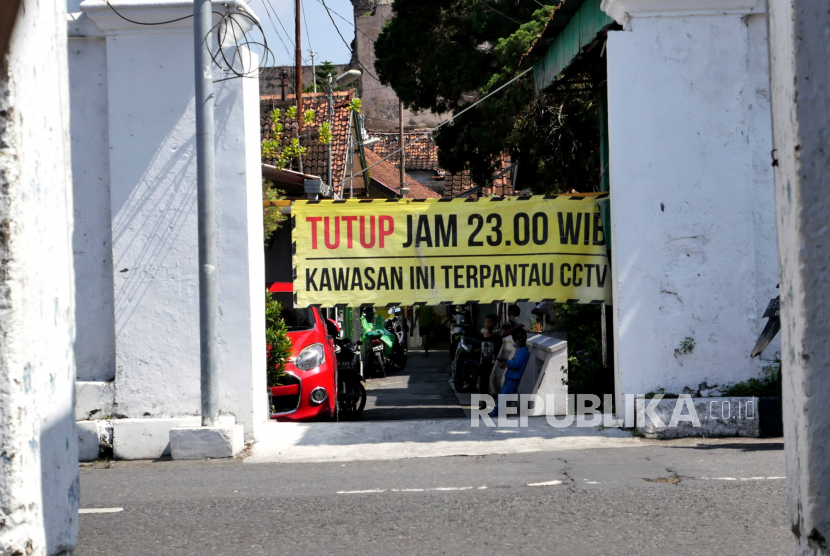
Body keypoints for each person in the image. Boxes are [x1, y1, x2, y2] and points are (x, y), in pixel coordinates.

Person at [490, 327, 529, 418]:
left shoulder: (523, 351)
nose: (513, 342)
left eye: (515, 340)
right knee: (500, 399)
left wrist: (505, 360)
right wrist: (506, 365)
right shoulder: (520, 350)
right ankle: (495, 416)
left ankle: (496, 417)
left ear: (520, 340)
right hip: (510, 377)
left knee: (503, 400)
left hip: (513, 380)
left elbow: (516, 364)